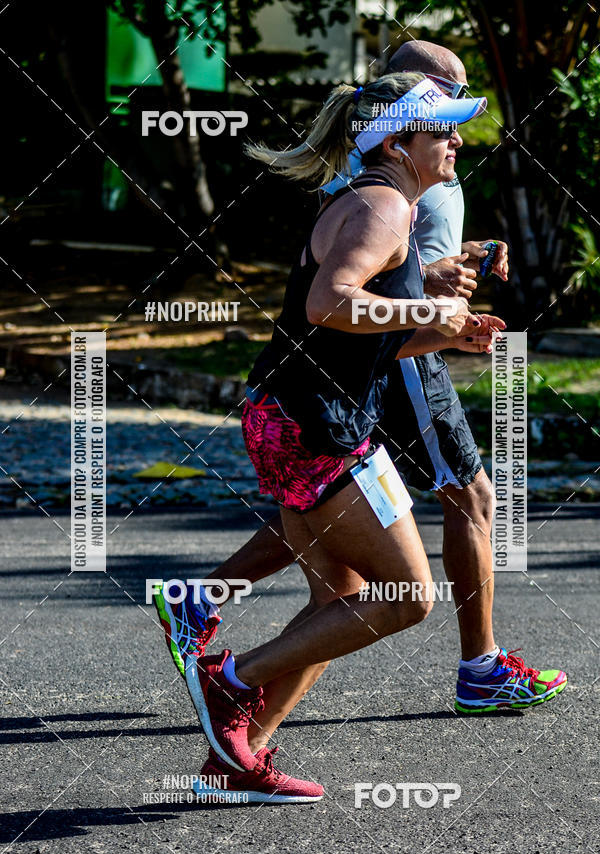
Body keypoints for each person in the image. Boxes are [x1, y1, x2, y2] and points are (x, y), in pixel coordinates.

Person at [153, 42, 566, 756]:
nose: (457, 141)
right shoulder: (381, 205)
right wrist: (424, 314)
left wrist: (446, 334)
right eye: (442, 129)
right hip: (315, 423)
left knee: (339, 597)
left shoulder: (384, 201)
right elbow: (328, 303)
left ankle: (237, 754)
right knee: (407, 596)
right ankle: (228, 679)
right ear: (400, 141)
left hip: (305, 413)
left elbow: (364, 340)